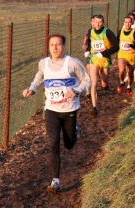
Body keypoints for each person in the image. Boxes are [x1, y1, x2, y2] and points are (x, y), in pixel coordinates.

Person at [22, 33, 91, 193]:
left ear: (64, 46)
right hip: (51, 110)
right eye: (52, 45)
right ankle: (55, 180)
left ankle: (74, 130)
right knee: (53, 144)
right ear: (48, 46)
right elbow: (39, 79)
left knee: (69, 144)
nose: (55, 48)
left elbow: (87, 81)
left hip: (69, 109)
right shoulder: (43, 64)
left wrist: (76, 90)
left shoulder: (73, 63)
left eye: (58, 45)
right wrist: (31, 89)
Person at [85, 14, 119, 116]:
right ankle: (94, 107)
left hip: (104, 59)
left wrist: (104, 53)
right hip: (94, 59)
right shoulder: (90, 32)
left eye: (100, 22)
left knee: (104, 83)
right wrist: (88, 51)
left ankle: (105, 84)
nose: (98, 24)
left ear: (103, 22)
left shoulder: (107, 32)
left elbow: (116, 47)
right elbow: (90, 43)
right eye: (96, 22)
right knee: (94, 83)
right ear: (93, 22)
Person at [117, 16, 135, 97]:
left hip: (131, 55)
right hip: (122, 54)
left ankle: (129, 87)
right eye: (126, 22)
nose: (127, 24)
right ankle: (121, 82)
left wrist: (130, 45)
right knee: (121, 70)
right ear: (123, 23)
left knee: (130, 74)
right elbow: (116, 42)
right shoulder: (120, 32)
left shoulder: (134, 33)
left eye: (129, 22)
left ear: (132, 23)